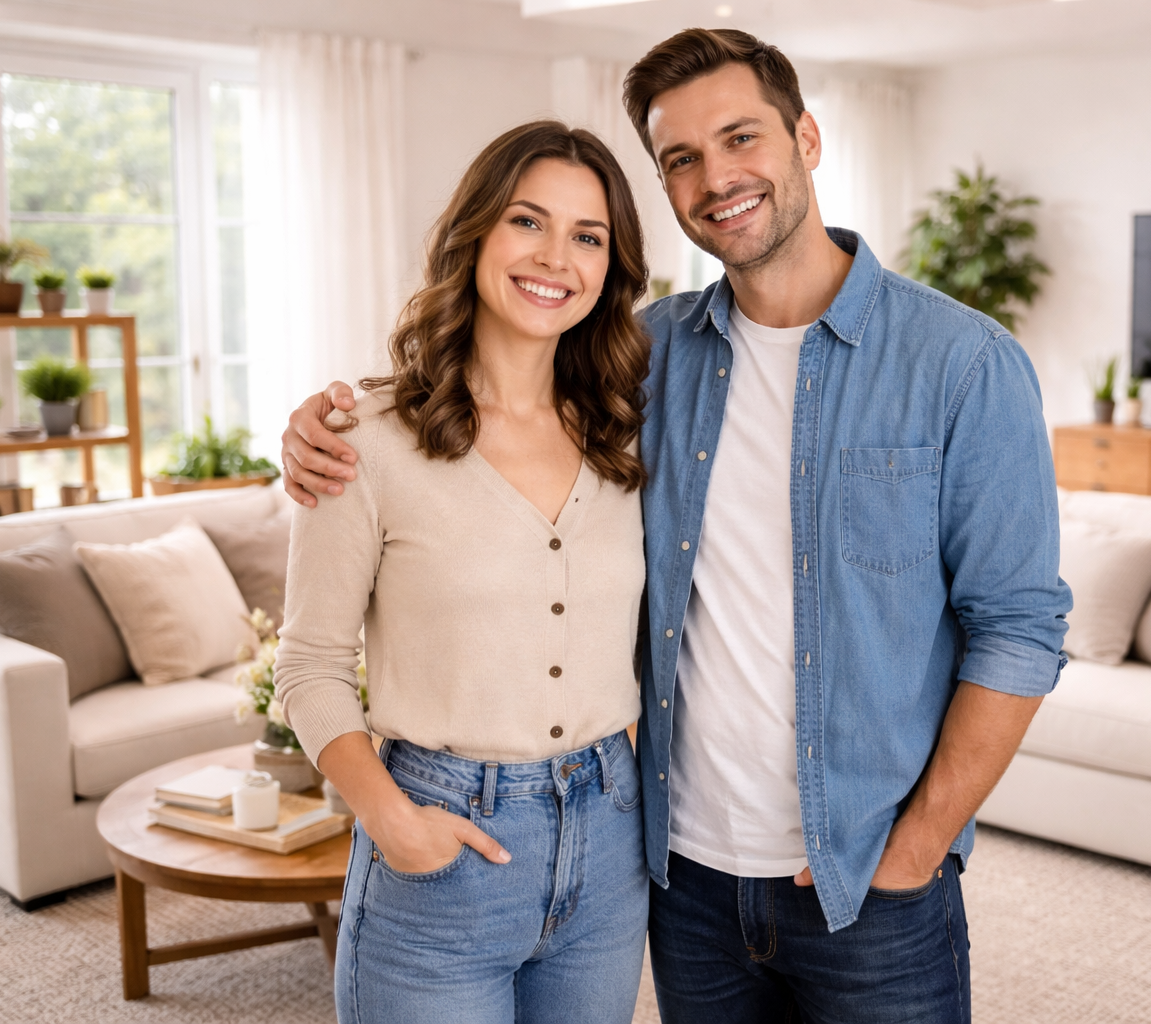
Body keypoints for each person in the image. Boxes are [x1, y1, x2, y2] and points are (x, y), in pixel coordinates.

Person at [282, 28, 1071, 1024]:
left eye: (741, 138)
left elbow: (1021, 627)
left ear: (808, 138)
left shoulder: (962, 365)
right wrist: (318, 424)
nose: (717, 177)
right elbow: (475, 426)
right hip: (678, 878)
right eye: (681, 159)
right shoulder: (649, 365)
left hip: (867, 880)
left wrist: (919, 846)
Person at [272, 121, 652, 1024]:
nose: (555, 256)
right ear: (476, 233)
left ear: (611, 267)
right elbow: (310, 666)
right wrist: (391, 821)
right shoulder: (362, 438)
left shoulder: (629, 431)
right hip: (438, 840)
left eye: (588, 236)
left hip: (609, 841)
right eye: (528, 221)